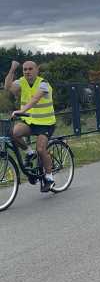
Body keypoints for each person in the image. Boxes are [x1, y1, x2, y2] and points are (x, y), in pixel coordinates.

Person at [4, 60, 56, 192]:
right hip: (30, 122)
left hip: (46, 123)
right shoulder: (22, 81)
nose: (27, 71)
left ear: (37, 70)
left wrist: (22, 111)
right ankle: (29, 152)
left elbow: (35, 99)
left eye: (30, 69)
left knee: (41, 149)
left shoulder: (44, 84)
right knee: (13, 133)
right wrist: (12, 69)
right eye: (25, 69)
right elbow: (7, 86)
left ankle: (49, 177)